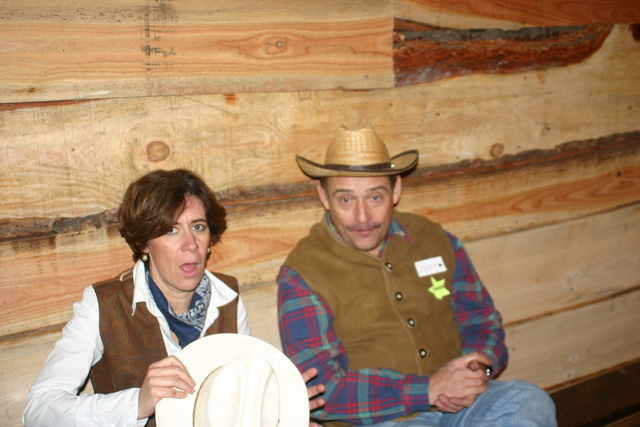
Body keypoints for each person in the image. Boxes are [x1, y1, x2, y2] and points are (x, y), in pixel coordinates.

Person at [277, 125, 557, 426]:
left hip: (461, 405)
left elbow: (480, 317)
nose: (362, 217)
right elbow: (323, 390)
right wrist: (429, 389)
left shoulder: (434, 238)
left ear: (396, 190)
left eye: (375, 197)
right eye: (346, 199)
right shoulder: (303, 273)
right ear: (324, 197)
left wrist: (474, 369)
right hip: (383, 420)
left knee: (529, 401)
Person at [24, 169, 324, 427]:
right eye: (171, 230)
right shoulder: (104, 305)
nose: (190, 244)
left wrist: (281, 410)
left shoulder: (227, 298)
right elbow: (37, 411)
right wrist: (137, 403)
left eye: (198, 227)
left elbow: (234, 406)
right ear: (143, 243)